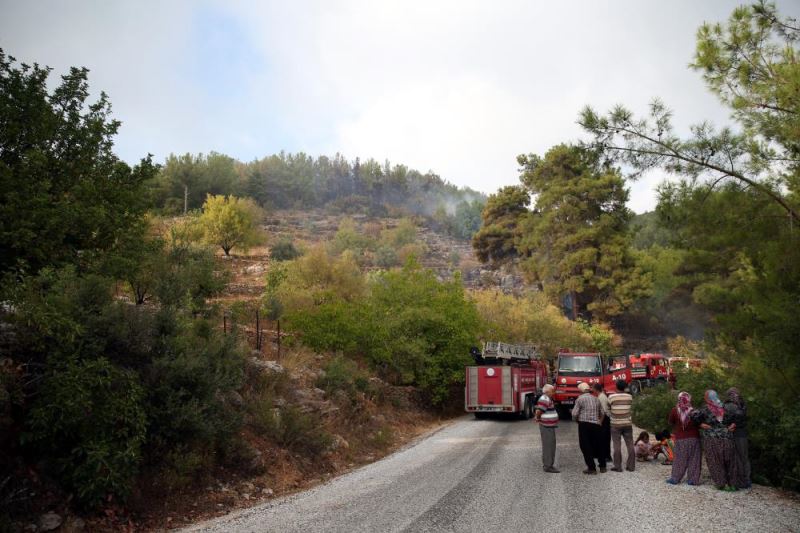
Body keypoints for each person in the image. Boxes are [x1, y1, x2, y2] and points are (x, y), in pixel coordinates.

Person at [691, 389, 739, 491]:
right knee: (730, 461)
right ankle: (733, 484)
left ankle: (722, 483)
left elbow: (693, 416)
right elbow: (736, 418)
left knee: (715, 461)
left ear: (707, 398)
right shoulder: (725, 408)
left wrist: (700, 424)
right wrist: (733, 424)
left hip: (712, 439)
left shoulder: (705, 409)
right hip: (727, 437)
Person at [666, 391, 701, 485]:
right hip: (694, 438)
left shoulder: (674, 410)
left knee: (679, 459)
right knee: (694, 459)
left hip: (681, 439)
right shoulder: (694, 411)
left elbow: (670, 422)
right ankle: (693, 480)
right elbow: (699, 424)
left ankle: (675, 478)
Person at [572, 382, 606, 474]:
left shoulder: (580, 399)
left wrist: (576, 421)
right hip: (596, 425)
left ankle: (591, 468)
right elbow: (602, 413)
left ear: (581, 391)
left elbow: (574, 414)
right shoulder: (596, 399)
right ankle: (602, 466)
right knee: (598, 445)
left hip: (584, 425)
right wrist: (600, 421)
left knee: (585, 446)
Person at [725, 387, 751, 488]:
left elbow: (741, 416)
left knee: (742, 457)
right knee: (737, 457)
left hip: (740, 433)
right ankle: (739, 479)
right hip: (732, 433)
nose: (733, 396)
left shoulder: (742, 404)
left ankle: (745, 480)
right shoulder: (728, 404)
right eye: (731, 394)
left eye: (734, 394)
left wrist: (733, 424)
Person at [607, 379, 635, 472]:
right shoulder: (630, 397)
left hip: (615, 424)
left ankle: (618, 467)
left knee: (616, 445)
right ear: (625, 387)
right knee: (630, 444)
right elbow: (632, 409)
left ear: (616, 386)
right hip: (627, 424)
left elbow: (608, 409)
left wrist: (612, 415)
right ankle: (631, 466)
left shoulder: (611, 397)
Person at [534, 384, 560, 473]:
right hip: (546, 426)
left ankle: (548, 464)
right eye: (553, 391)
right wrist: (537, 418)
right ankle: (548, 466)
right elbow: (539, 411)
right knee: (549, 446)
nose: (554, 392)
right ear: (548, 391)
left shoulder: (547, 398)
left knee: (550, 445)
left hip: (549, 426)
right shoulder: (545, 399)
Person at [593, 383, 612, 463]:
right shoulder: (601, 396)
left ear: (596, 389)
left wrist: (600, 421)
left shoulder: (602, 397)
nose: (592, 389)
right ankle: (602, 454)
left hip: (605, 419)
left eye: (593, 388)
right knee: (602, 437)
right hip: (604, 419)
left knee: (605, 438)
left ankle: (607, 456)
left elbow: (604, 411)